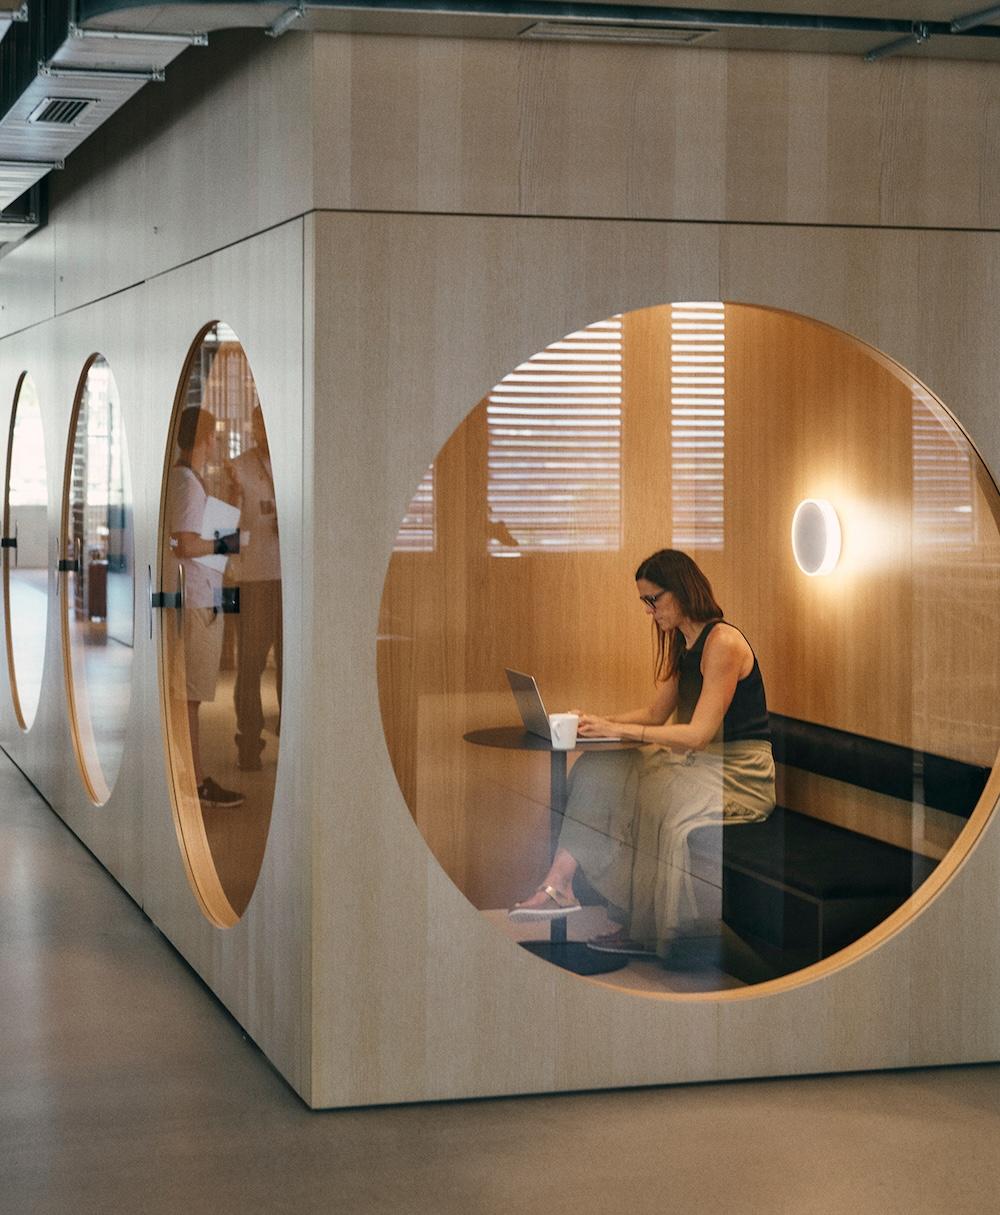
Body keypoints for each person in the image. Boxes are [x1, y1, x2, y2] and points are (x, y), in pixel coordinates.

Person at [509, 548, 775, 957]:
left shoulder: (723, 642)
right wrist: (597, 722)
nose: (650, 611)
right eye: (644, 602)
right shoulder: (680, 643)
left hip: (737, 771)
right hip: (698, 762)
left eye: (655, 600)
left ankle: (641, 926)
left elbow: (700, 734)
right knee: (602, 767)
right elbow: (655, 713)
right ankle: (559, 883)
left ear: (683, 591)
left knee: (651, 793)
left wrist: (617, 728)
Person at [167, 406, 245, 809]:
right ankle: (192, 781)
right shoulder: (184, 481)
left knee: (192, 697)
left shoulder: (191, 480)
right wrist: (223, 545)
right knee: (190, 697)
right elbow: (184, 542)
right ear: (204, 438)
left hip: (203, 597)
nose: (215, 443)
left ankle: (193, 777)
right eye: (213, 436)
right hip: (195, 599)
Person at [229, 405, 282, 770]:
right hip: (253, 579)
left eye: (270, 420)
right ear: (252, 427)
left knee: (292, 665)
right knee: (250, 665)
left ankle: (293, 740)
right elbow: (222, 531)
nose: (265, 428)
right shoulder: (238, 468)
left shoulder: (295, 461)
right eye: (260, 422)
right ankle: (249, 740)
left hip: (291, 579)